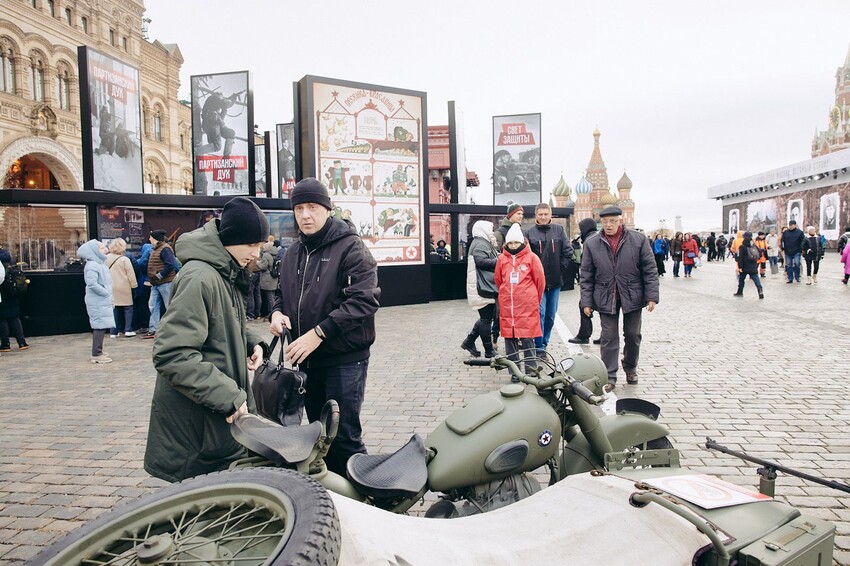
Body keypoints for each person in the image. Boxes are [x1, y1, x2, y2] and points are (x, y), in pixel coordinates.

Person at [144, 196, 270, 483]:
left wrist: (253, 343)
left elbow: (222, 322)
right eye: (253, 244)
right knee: (197, 515)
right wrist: (228, 396)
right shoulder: (200, 276)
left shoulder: (223, 269)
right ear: (232, 239)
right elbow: (172, 354)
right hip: (196, 429)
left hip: (212, 421)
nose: (257, 252)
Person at [269, 178, 380, 476]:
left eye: (313, 207)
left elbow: (364, 301)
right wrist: (277, 313)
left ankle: (368, 501)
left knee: (343, 438)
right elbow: (281, 293)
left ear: (327, 210)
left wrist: (319, 333)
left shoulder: (351, 248)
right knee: (319, 437)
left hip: (344, 359)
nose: (305, 215)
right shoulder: (292, 253)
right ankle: (335, 500)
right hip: (306, 361)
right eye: (299, 208)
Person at [580, 206, 658, 391]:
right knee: (608, 337)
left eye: (612, 221)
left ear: (620, 221)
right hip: (606, 294)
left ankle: (630, 367)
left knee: (633, 334)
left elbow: (650, 269)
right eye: (605, 222)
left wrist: (651, 296)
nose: (608, 225)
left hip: (632, 294)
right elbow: (586, 275)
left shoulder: (638, 240)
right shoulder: (592, 243)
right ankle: (609, 375)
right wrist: (587, 302)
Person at [495, 223, 545, 378]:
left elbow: (540, 281)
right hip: (507, 305)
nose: (513, 245)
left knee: (527, 338)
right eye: (510, 243)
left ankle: (531, 370)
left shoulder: (532, 258)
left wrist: (533, 299)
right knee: (509, 339)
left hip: (526, 306)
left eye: (516, 242)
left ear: (522, 242)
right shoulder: (502, 259)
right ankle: (514, 372)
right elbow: (498, 279)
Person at [526, 203, 571, 359]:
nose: (543, 217)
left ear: (550, 214)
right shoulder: (530, 233)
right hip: (537, 284)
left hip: (555, 281)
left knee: (551, 315)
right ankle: (539, 347)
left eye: (546, 214)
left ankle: (545, 341)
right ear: (536, 216)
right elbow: (526, 257)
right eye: (540, 214)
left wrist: (560, 268)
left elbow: (567, 252)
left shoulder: (559, 230)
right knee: (540, 313)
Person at [462, 220, 499, 358]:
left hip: (483, 286)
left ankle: (469, 341)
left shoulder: (483, 242)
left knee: (486, 317)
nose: (492, 232)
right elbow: (481, 261)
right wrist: (499, 261)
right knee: (486, 320)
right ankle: (489, 350)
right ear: (483, 229)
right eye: (490, 229)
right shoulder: (480, 243)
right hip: (483, 287)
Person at [77, 240, 115, 364]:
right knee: (99, 326)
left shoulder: (100, 264)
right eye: (102, 248)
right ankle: (96, 353)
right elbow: (92, 283)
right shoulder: (93, 265)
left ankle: (99, 350)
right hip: (98, 300)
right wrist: (105, 293)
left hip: (101, 299)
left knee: (102, 325)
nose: (105, 249)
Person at [568, 218, 601, 345]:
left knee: (584, 305)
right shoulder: (596, 237)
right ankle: (605, 336)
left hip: (595, 282)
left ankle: (584, 335)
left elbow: (588, 264)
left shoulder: (589, 241)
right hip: (602, 282)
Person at [145, 230, 177, 338]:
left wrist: (159, 275)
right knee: (153, 306)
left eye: (151, 237)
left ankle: (174, 329)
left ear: (155, 238)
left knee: (169, 306)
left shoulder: (165, 249)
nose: (149, 239)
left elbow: (170, 265)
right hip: (156, 283)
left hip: (165, 282)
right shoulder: (157, 248)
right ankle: (154, 329)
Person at [106, 238, 138, 338]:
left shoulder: (106, 258)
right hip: (124, 286)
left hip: (111, 286)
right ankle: (128, 329)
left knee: (114, 309)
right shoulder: (125, 259)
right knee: (128, 308)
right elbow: (131, 275)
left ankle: (113, 331)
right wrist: (134, 287)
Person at [0, 249, 29, 352]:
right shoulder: (10, 260)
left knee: (2, 318)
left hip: (2, 293)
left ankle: (5, 344)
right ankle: (22, 342)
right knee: (14, 317)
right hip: (13, 292)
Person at [255, 238, 281, 321]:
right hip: (274, 278)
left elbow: (263, 266)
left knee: (269, 298)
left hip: (267, 279)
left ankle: (271, 313)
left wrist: (258, 263)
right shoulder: (276, 253)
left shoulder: (266, 255)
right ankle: (272, 312)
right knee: (272, 297)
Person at [734, 232, 764, 299]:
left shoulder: (742, 246)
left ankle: (740, 292)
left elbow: (740, 258)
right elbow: (759, 253)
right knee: (756, 279)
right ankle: (760, 291)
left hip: (744, 266)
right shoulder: (754, 245)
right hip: (753, 265)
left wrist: (740, 267)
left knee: (741, 279)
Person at [133, 242, 153, 333]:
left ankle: (145, 325)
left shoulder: (139, 261)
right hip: (155, 283)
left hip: (143, 285)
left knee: (144, 305)